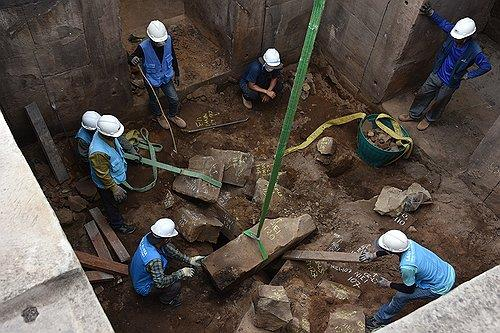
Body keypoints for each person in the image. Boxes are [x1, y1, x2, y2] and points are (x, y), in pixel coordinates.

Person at [399, 2, 492, 131]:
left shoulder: (474, 50)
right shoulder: (454, 33)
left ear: (467, 37)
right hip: (438, 73)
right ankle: (414, 115)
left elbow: (486, 66)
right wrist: (431, 13)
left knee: (440, 101)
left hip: (450, 82)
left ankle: (429, 119)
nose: (455, 39)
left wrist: (468, 75)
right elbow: (443, 24)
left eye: (458, 38)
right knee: (423, 93)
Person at [360, 230, 455, 330]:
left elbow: (409, 289)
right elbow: (392, 250)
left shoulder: (407, 266)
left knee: (401, 296)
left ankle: (379, 320)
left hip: (440, 286)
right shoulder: (409, 243)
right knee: (412, 278)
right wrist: (373, 255)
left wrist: (388, 284)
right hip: (447, 271)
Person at [129, 218, 205, 307]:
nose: (171, 239)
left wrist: (189, 260)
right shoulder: (155, 260)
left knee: (169, 248)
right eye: (170, 238)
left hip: (135, 272)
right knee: (176, 285)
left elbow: (168, 248)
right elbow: (160, 283)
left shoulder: (148, 237)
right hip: (143, 286)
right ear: (166, 239)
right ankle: (165, 300)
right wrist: (181, 273)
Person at [130, 20, 186, 130]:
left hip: (166, 77)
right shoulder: (143, 47)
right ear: (150, 38)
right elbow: (131, 57)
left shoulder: (168, 40)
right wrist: (133, 59)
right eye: (157, 41)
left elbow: (172, 55)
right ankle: (159, 116)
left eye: (162, 40)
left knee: (174, 99)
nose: (161, 43)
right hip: (151, 80)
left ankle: (172, 115)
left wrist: (177, 73)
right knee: (154, 100)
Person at [89, 115, 136, 234]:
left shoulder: (108, 133)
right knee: (110, 204)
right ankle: (117, 224)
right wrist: (114, 188)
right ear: (106, 134)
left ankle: (119, 199)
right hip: (106, 184)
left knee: (116, 198)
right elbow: (102, 174)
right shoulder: (98, 152)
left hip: (116, 175)